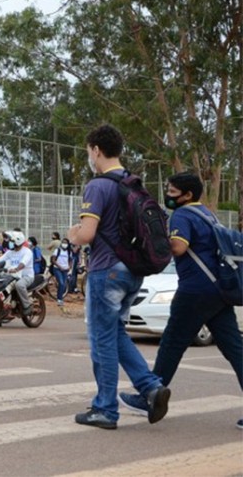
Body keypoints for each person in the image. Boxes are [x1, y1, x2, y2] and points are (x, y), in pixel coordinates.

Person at [119, 172, 243, 429]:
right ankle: (150, 394)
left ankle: (149, 396)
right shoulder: (207, 214)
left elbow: (178, 247)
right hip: (218, 290)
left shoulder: (183, 215)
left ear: (187, 195)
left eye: (172, 191)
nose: (168, 195)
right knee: (235, 349)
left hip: (195, 291)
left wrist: (153, 234)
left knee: (172, 343)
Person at [67, 123, 169, 430]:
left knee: (101, 340)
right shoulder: (133, 183)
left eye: (89, 152)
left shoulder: (98, 186)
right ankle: (150, 388)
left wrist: (73, 234)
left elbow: (87, 233)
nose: (89, 157)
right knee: (115, 333)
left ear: (96, 150)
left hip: (106, 271)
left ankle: (106, 409)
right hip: (131, 271)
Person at [0, 231, 35, 315]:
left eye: (12, 241)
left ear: (18, 242)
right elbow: (0, 260)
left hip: (26, 276)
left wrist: (16, 269)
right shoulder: (10, 252)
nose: (9, 243)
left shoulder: (27, 252)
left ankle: (27, 306)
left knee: (19, 285)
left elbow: (23, 263)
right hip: (13, 276)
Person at [51, 238, 74, 307]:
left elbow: (70, 260)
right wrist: (60, 266)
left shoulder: (69, 252)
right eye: (63, 242)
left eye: (66, 243)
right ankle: (59, 299)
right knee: (61, 283)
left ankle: (59, 297)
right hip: (57, 269)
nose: (64, 244)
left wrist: (70, 267)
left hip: (65, 269)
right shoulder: (57, 250)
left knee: (63, 285)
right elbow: (53, 260)